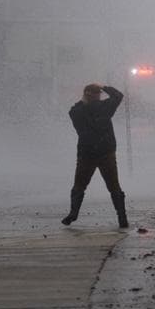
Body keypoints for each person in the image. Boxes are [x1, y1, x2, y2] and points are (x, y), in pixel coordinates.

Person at [62, 83, 129, 228]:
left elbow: (73, 110)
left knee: (79, 185)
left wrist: (84, 99)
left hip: (86, 153)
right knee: (114, 186)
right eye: (99, 93)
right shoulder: (105, 107)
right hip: (106, 152)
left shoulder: (77, 111)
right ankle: (122, 217)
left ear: (86, 94)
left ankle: (73, 213)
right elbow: (118, 95)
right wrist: (104, 86)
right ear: (98, 94)